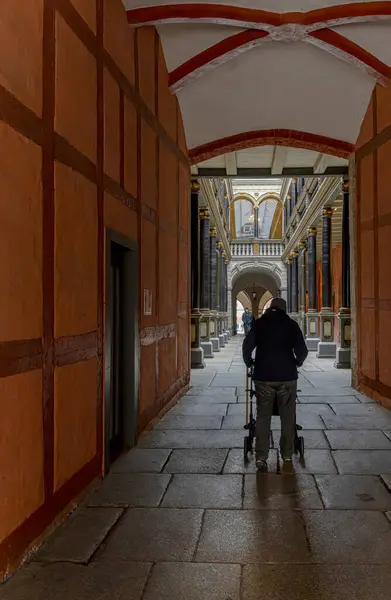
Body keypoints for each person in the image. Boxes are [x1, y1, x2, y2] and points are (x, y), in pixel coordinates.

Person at [242, 297, 308, 469]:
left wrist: (249, 362)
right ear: (284, 309)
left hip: (263, 376)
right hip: (287, 376)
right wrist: (297, 362)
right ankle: (286, 454)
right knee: (287, 417)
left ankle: (261, 457)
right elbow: (302, 350)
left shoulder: (260, 324)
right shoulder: (291, 325)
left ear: (270, 308)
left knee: (263, 417)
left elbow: (247, 346)